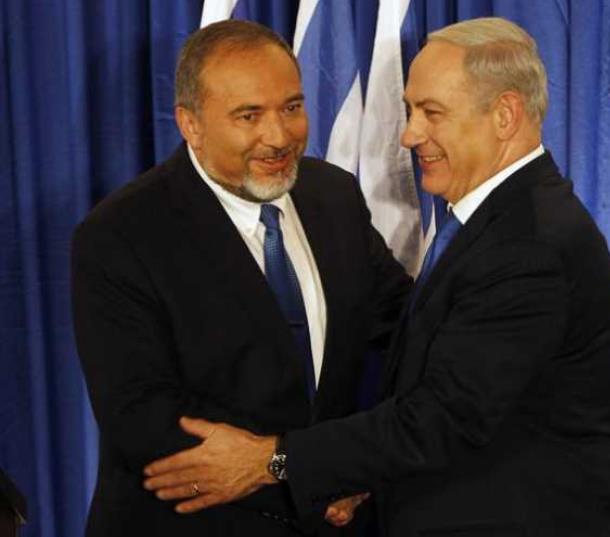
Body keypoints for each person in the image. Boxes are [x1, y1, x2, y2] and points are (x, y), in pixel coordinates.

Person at [143, 17, 610, 537]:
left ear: (505, 115)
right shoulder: (497, 223)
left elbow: (440, 419)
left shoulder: (528, 245)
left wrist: (271, 460)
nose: (409, 135)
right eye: (410, 111)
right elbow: (419, 351)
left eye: (431, 113)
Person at [71, 20, 411, 537]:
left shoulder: (333, 196)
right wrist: (315, 474)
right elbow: (145, 421)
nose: (278, 137)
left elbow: (397, 333)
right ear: (191, 124)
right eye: (248, 115)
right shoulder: (121, 235)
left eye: (292, 107)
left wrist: (349, 465)